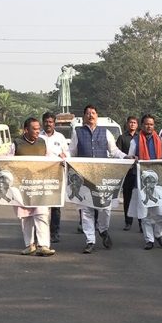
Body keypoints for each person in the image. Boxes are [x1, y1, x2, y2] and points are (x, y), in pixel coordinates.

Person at [69, 104, 128, 254]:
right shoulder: (77, 132)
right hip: (83, 177)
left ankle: (103, 229)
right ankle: (90, 240)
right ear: (84, 117)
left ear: (97, 116)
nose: (91, 115)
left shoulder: (105, 132)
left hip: (102, 177)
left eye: (93, 113)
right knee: (86, 210)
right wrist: (64, 158)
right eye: (88, 113)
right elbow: (71, 153)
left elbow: (114, 151)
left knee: (105, 208)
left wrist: (126, 157)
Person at [9, 117, 54, 256]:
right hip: (22, 187)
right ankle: (29, 245)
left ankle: (43, 246)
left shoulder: (42, 142)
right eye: (34, 129)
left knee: (42, 214)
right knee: (26, 217)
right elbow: (7, 161)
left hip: (39, 186)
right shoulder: (16, 143)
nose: (38, 131)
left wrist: (60, 159)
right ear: (26, 130)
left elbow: (50, 158)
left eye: (38, 128)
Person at [127, 114, 162, 250]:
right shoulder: (135, 141)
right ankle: (149, 239)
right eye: (146, 124)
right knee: (145, 213)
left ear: (154, 126)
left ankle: (159, 234)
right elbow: (129, 157)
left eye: (151, 124)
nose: (149, 126)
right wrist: (133, 158)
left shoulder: (160, 139)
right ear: (142, 125)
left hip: (158, 181)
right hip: (142, 181)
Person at [40, 111, 69, 243]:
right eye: (46, 122)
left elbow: (67, 153)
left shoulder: (60, 137)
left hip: (56, 175)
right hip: (41, 175)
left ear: (54, 123)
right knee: (41, 206)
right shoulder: (38, 136)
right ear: (43, 123)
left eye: (50, 122)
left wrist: (64, 156)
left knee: (55, 207)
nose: (48, 124)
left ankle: (55, 233)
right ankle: (42, 233)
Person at [117, 116, 139, 232]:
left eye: (134, 122)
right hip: (127, 172)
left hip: (139, 171)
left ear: (137, 125)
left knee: (140, 197)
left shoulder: (140, 137)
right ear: (127, 124)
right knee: (127, 197)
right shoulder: (122, 138)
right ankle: (128, 222)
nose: (132, 124)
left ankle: (141, 223)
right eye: (130, 122)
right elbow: (118, 153)